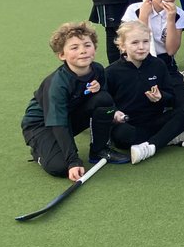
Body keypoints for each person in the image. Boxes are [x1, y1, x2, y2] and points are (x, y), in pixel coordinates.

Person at [22, 22, 128, 178]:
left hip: (69, 116)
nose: (83, 51)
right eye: (74, 48)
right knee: (59, 167)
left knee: (103, 98)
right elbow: (59, 123)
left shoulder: (97, 69)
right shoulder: (57, 84)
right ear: (62, 55)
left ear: (94, 48)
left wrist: (111, 108)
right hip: (41, 125)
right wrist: (73, 160)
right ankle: (39, 150)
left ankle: (99, 150)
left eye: (87, 45)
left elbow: (104, 99)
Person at [105, 20, 184, 163]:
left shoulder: (158, 65)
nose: (141, 47)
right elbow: (106, 103)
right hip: (129, 124)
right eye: (134, 43)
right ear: (122, 46)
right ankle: (168, 136)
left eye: (145, 42)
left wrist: (161, 97)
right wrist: (114, 113)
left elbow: (171, 97)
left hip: (154, 120)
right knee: (123, 136)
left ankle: (151, 147)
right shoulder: (111, 72)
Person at [122, 0, 184, 107]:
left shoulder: (178, 14)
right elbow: (135, 45)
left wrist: (170, 19)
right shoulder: (134, 9)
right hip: (138, 62)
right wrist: (143, 17)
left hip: (165, 63)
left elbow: (171, 50)